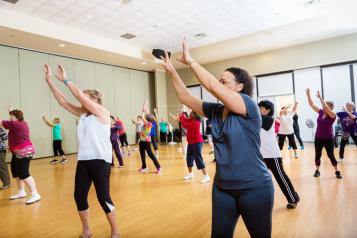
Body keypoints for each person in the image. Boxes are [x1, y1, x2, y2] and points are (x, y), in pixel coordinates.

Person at [160, 39, 273, 238]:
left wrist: (191, 61)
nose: (219, 84)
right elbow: (185, 97)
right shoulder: (215, 110)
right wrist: (172, 71)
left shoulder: (249, 106)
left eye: (224, 82)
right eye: (219, 81)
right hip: (223, 188)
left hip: (254, 187)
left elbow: (211, 86)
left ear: (239, 87)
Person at [43, 64, 119, 238]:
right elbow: (62, 101)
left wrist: (66, 80)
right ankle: (87, 230)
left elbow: (77, 94)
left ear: (95, 99)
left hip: (100, 161)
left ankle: (115, 231)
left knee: (103, 198)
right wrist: (49, 81)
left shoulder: (103, 113)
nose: (81, 98)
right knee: (79, 196)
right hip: (84, 161)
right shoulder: (83, 115)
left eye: (86, 96)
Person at [258, 100, 300, 209]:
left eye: (261, 108)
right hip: (260, 155)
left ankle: (293, 199)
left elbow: (255, 118)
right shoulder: (257, 120)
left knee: (280, 177)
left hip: (272, 155)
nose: (258, 110)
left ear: (268, 110)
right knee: (258, 179)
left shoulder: (269, 120)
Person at [1, 106, 41, 204]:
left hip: (24, 151)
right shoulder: (20, 123)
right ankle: (21, 192)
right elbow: (13, 119)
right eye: (10, 116)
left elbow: (2, 122)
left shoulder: (16, 124)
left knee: (24, 173)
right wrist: (11, 111)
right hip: (17, 152)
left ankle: (35, 194)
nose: (10, 118)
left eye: (12, 116)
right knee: (16, 172)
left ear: (17, 117)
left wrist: (11, 114)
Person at [306, 88, 342, 179]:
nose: (324, 106)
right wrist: (308, 94)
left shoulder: (333, 115)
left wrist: (320, 97)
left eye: (327, 105)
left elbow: (325, 107)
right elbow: (311, 104)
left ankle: (337, 171)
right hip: (318, 138)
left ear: (331, 107)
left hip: (328, 139)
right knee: (318, 154)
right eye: (325, 105)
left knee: (331, 155)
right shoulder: (321, 112)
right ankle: (317, 170)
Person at [179, 111, 210, 183]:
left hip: (197, 142)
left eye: (192, 113)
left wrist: (181, 118)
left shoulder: (196, 122)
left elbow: (185, 125)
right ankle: (190, 174)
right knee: (189, 157)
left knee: (198, 158)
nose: (190, 113)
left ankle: (206, 176)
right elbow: (186, 120)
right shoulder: (192, 119)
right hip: (191, 142)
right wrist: (181, 114)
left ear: (195, 115)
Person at [138, 101, 161, 174]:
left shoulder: (149, 124)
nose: (145, 118)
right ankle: (144, 167)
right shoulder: (145, 123)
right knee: (142, 154)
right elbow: (143, 116)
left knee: (151, 155)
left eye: (146, 118)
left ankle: (158, 167)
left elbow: (142, 117)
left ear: (148, 120)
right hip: (142, 141)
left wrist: (144, 108)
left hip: (147, 142)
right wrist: (144, 109)